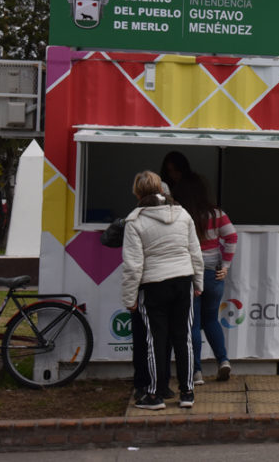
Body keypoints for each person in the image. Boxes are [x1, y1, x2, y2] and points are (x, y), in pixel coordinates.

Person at [121, 170, 203, 410]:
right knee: (183, 337)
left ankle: (154, 396)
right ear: (161, 188)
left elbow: (133, 265)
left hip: (153, 285)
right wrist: (198, 283)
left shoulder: (134, 220)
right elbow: (195, 252)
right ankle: (187, 393)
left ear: (137, 192)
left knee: (154, 340)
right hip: (183, 281)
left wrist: (129, 298)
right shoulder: (182, 213)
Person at [172, 172, 237, 384]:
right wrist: (225, 265)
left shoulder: (179, 214)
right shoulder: (216, 214)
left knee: (193, 323)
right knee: (211, 320)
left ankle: (196, 372)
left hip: (189, 274)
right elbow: (231, 236)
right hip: (213, 273)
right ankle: (223, 361)